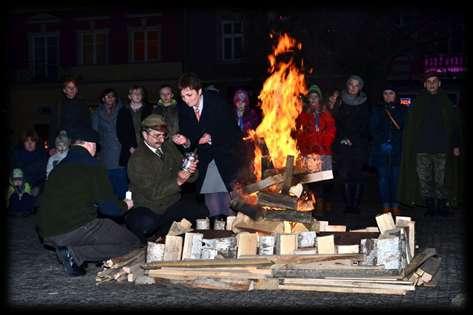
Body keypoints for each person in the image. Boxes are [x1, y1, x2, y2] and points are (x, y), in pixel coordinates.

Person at [35, 127, 140, 277]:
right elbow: (109, 208)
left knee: (97, 227)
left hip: (46, 231)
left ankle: (72, 249)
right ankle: (76, 254)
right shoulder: (93, 166)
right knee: (132, 243)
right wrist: (125, 205)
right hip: (71, 229)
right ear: (91, 145)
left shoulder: (59, 167)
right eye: (96, 147)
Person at [172, 73, 243, 222]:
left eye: (189, 95)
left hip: (226, 158)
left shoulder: (218, 103)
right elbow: (190, 136)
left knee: (234, 204)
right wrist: (184, 140)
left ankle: (237, 232)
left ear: (199, 91)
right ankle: (218, 235)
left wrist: (212, 138)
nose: (186, 100)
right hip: (206, 161)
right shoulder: (184, 109)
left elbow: (234, 133)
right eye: (183, 96)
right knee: (213, 206)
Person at [125, 114, 207, 241]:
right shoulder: (137, 159)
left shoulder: (168, 147)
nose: (161, 139)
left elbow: (190, 176)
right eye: (156, 135)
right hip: (149, 206)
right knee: (147, 224)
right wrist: (178, 181)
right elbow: (153, 193)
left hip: (172, 201)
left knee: (201, 211)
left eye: (163, 135)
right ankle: (157, 239)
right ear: (145, 135)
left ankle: (174, 238)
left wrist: (190, 171)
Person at [398, 72, 462, 216]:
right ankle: (430, 207)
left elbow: (455, 126)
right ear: (425, 84)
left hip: (442, 148)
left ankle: (441, 206)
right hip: (422, 148)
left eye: (435, 81)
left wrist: (456, 145)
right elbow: (411, 127)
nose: (432, 84)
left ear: (439, 84)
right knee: (424, 179)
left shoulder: (447, 102)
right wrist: (411, 147)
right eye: (429, 81)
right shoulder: (417, 103)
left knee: (442, 178)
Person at [295, 84, 336, 214]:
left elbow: (331, 129)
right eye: (311, 97)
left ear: (319, 99)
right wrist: (307, 146)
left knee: (326, 179)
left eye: (315, 97)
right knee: (312, 180)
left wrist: (325, 143)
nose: (313, 100)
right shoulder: (304, 115)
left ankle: (325, 202)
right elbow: (299, 133)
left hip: (324, 150)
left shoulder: (325, 113)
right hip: (309, 152)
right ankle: (315, 203)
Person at [333, 75, 370, 214]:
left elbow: (365, 124)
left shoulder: (365, 102)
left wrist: (354, 139)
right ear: (347, 85)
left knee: (358, 175)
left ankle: (356, 205)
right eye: (351, 85)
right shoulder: (340, 101)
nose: (353, 88)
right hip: (343, 144)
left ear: (360, 87)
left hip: (359, 144)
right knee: (345, 175)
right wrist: (343, 137)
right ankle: (348, 206)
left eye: (357, 85)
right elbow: (336, 121)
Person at [369, 84, 406, 216]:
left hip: (397, 150)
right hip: (381, 151)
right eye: (385, 93)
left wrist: (395, 143)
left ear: (396, 95)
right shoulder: (377, 109)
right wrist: (382, 142)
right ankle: (385, 206)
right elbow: (373, 128)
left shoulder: (403, 110)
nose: (388, 96)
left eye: (391, 93)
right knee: (383, 179)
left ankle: (395, 205)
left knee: (396, 179)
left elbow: (405, 130)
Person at [92, 88, 127, 201]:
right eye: (107, 96)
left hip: (120, 152)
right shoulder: (97, 113)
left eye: (112, 96)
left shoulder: (123, 110)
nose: (110, 98)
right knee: (107, 188)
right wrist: (96, 151)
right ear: (103, 99)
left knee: (122, 187)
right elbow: (94, 133)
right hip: (105, 153)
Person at [48, 78, 91, 155]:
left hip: (79, 140)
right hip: (63, 142)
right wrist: (51, 146)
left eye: (74, 87)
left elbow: (88, 124)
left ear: (77, 89)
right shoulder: (59, 105)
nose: (72, 89)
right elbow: (53, 125)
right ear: (64, 90)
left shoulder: (83, 105)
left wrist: (88, 141)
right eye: (69, 87)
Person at [116, 85, 153, 168]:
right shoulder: (123, 111)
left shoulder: (149, 110)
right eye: (135, 93)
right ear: (129, 96)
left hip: (147, 148)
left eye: (139, 93)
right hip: (129, 150)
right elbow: (120, 132)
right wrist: (130, 147)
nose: (137, 95)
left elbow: (154, 128)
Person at [11, 129, 48, 197]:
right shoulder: (17, 154)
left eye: (32, 141)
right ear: (23, 143)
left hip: (36, 187)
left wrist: (38, 187)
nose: (30, 143)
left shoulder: (42, 155)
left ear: (36, 142)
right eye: (27, 141)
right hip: (20, 186)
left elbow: (44, 176)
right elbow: (15, 172)